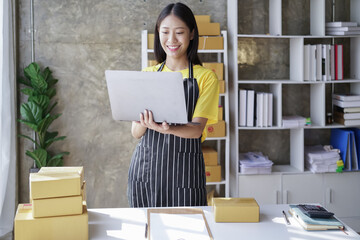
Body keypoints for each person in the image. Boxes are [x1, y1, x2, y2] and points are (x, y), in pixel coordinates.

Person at [127, 2, 219, 207]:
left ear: (192, 34)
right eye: (165, 32)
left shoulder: (206, 78)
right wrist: (147, 122)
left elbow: (197, 130)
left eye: (179, 32)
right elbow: (136, 132)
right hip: (146, 172)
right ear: (158, 34)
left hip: (185, 174)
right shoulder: (148, 75)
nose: (171, 40)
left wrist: (167, 129)